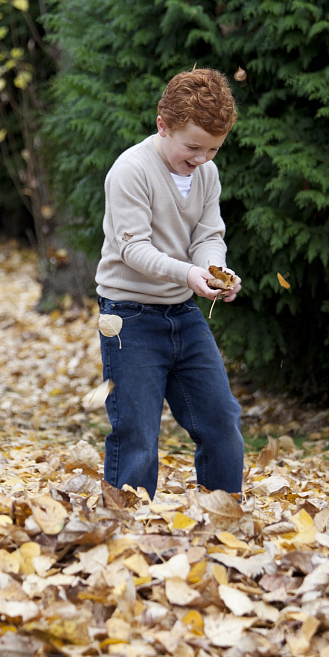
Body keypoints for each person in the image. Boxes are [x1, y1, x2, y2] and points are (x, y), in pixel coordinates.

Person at [95, 68, 244, 499]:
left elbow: (208, 236)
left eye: (213, 149)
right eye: (193, 147)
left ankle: (223, 513)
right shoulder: (131, 171)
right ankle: (124, 522)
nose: (202, 159)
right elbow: (132, 249)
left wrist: (215, 270)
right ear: (163, 126)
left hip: (183, 314)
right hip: (128, 318)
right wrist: (188, 274)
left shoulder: (206, 174)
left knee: (221, 422)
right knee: (137, 434)